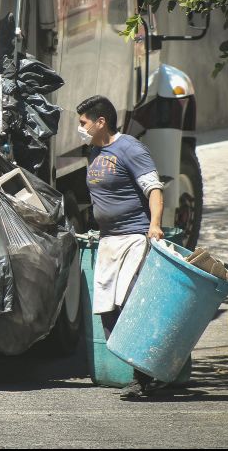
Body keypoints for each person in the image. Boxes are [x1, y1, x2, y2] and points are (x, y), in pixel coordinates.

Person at [77, 95, 165, 399]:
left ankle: (144, 377)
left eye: (83, 123)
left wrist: (154, 225)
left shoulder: (130, 148)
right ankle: (139, 370)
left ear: (101, 122)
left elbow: (153, 187)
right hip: (108, 241)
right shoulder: (93, 152)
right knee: (106, 309)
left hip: (134, 238)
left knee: (129, 304)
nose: (81, 129)